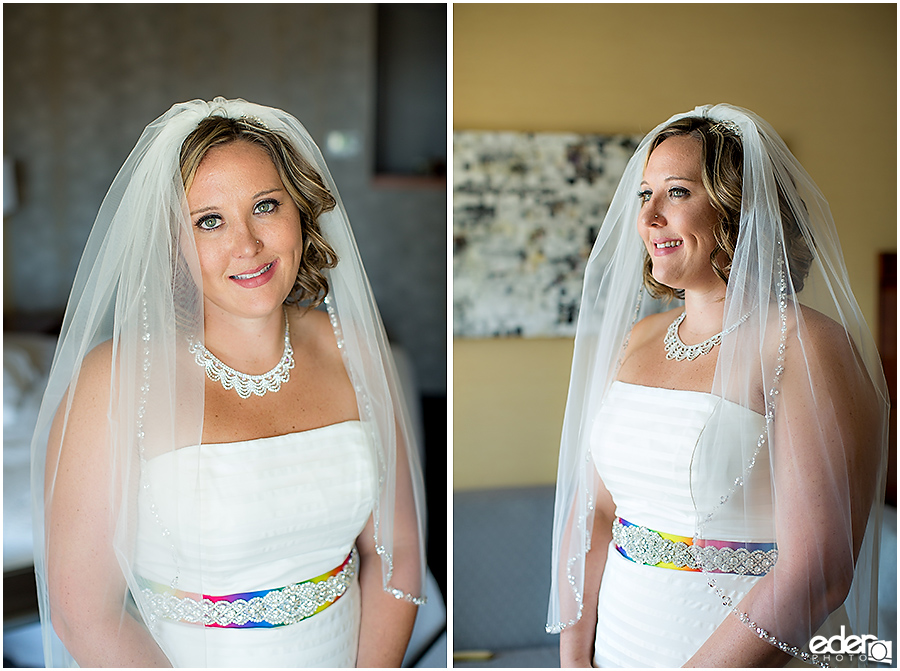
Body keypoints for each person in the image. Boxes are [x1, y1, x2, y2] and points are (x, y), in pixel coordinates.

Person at [31, 97, 427, 668]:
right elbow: (82, 614)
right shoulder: (114, 381)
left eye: (265, 206)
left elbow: (401, 555)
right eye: (209, 220)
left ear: (300, 211)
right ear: (171, 244)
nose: (247, 245)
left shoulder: (357, 348)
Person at [547, 104, 888, 667]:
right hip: (618, 645)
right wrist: (573, 656)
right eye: (643, 195)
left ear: (738, 208)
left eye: (676, 192)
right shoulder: (637, 339)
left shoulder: (804, 346)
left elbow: (817, 573)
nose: (650, 216)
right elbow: (596, 514)